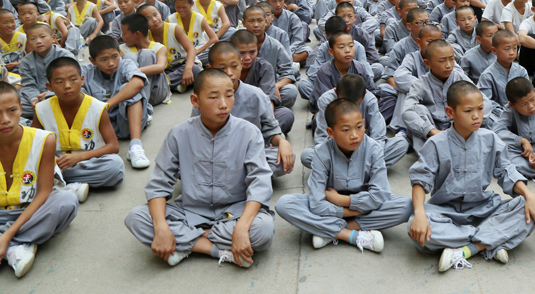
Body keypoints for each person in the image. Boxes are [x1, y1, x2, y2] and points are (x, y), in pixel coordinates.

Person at [124, 69, 275, 267]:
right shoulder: (178, 134)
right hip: (190, 212)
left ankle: (186, 244)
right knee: (137, 218)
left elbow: (260, 183)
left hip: (235, 211)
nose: (223, 104)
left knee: (262, 230)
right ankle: (216, 250)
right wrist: (161, 227)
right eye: (213, 97)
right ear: (195, 101)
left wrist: (242, 227)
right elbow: (159, 185)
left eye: (229, 96)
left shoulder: (249, 133)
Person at [407, 81, 535, 273]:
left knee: (529, 208)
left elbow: (506, 171)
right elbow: (420, 181)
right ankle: (492, 241)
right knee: (415, 227)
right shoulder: (436, 143)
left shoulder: (490, 139)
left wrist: (529, 195)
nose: (477, 116)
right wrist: (420, 214)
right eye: (468, 111)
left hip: (484, 208)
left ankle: (468, 249)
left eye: (480, 109)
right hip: (446, 212)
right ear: (450, 112)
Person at [276, 98, 413, 253]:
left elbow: (379, 195)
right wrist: (350, 211)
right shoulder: (322, 153)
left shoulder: (374, 149)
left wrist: (343, 200)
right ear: (330, 132)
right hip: (345, 207)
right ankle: (352, 236)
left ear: (364, 124)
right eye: (346, 130)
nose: (355, 135)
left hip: (348, 203)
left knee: (408, 206)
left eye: (359, 127)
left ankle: (330, 231)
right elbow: (316, 203)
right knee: (284, 204)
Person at [0, 82, 79, 278]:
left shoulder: (44, 140)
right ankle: (20, 244)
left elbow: (44, 192)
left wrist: (7, 235)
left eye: (12, 111)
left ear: (21, 109)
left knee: (66, 201)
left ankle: (10, 243)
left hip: (33, 209)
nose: (5, 120)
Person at [32, 57, 125, 199]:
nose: (67, 86)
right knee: (30, 169)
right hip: (54, 165)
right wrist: (50, 161)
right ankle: (69, 185)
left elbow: (113, 146)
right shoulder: (42, 109)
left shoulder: (97, 107)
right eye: (59, 82)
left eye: (73, 79)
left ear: (82, 80)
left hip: (88, 162)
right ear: (49, 87)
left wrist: (79, 157)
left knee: (115, 167)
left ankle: (59, 185)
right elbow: (32, 144)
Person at [205, 41, 294, 178]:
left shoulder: (256, 95)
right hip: (216, 155)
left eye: (234, 66)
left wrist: (283, 142)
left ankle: (227, 178)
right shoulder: (205, 97)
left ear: (241, 64)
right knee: (183, 164)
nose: (229, 73)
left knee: (284, 160)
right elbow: (198, 133)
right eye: (222, 69)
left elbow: (271, 130)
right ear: (209, 68)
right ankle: (247, 177)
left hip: (249, 154)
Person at [302, 74, 407, 169]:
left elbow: (378, 136)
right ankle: (363, 170)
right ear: (335, 92)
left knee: (401, 144)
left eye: (355, 103)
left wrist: (367, 153)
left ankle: (341, 171)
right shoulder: (326, 100)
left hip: (363, 148)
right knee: (307, 156)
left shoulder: (370, 100)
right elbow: (321, 137)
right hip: (337, 150)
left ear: (365, 93)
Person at [401, 40, 489, 153]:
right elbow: (406, 112)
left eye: (451, 59)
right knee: (418, 110)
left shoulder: (459, 78)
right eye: (442, 61)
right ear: (427, 63)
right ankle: (429, 157)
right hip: (433, 130)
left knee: (478, 108)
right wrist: (431, 130)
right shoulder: (420, 84)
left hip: (459, 126)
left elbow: (484, 101)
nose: (448, 65)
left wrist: (466, 121)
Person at [81, 35, 152, 170]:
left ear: (120, 53)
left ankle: (135, 147)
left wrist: (107, 105)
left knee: (131, 88)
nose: (111, 63)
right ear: (92, 61)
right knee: (78, 89)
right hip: (100, 127)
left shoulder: (125, 64)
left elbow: (138, 82)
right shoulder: (85, 71)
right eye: (104, 59)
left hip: (124, 120)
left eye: (115, 56)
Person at [18, 23, 76, 120]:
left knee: (79, 93)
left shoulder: (65, 56)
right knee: (16, 103)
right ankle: (50, 111)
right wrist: (34, 99)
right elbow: (28, 85)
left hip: (61, 94)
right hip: (38, 98)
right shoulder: (26, 61)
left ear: (53, 38)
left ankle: (44, 112)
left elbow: (72, 81)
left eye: (43, 37)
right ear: (28, 43)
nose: (38, 41)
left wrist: (50, 94)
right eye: (33, 39)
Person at [477, 29, 528, 124]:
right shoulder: (487, 75)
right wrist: (506, 114)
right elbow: (486, 102)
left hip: (521, 110)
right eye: (507, 48)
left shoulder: (521, 71)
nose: (512, 52)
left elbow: (527, 94)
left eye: (515, 48)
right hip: (499, 115)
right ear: (494, 51)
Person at [459, 20, 498, 84]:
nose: (495, 38)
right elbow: (463, 80)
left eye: (496, 34)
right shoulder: (468, 57)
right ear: (479, 39)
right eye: (489, 36)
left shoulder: (501, 52)